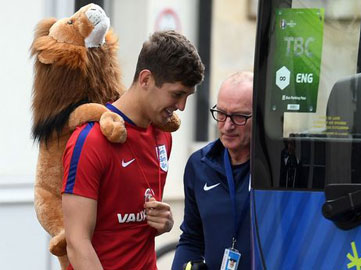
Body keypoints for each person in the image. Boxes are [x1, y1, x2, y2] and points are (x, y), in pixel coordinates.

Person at [61, 30, 204, 270]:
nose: (181, 106)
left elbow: (127, 226)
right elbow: (77, 243)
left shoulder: (163, 137)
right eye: (177, 94)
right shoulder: (90, 141)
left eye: (187, 96)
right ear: (146, 79)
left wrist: (164, 224)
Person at [172, 71, 253, 270]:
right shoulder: (199, 165)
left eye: (239, 117)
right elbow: (192, 238)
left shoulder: (280, 170)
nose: (227, 126)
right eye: (222, 114)